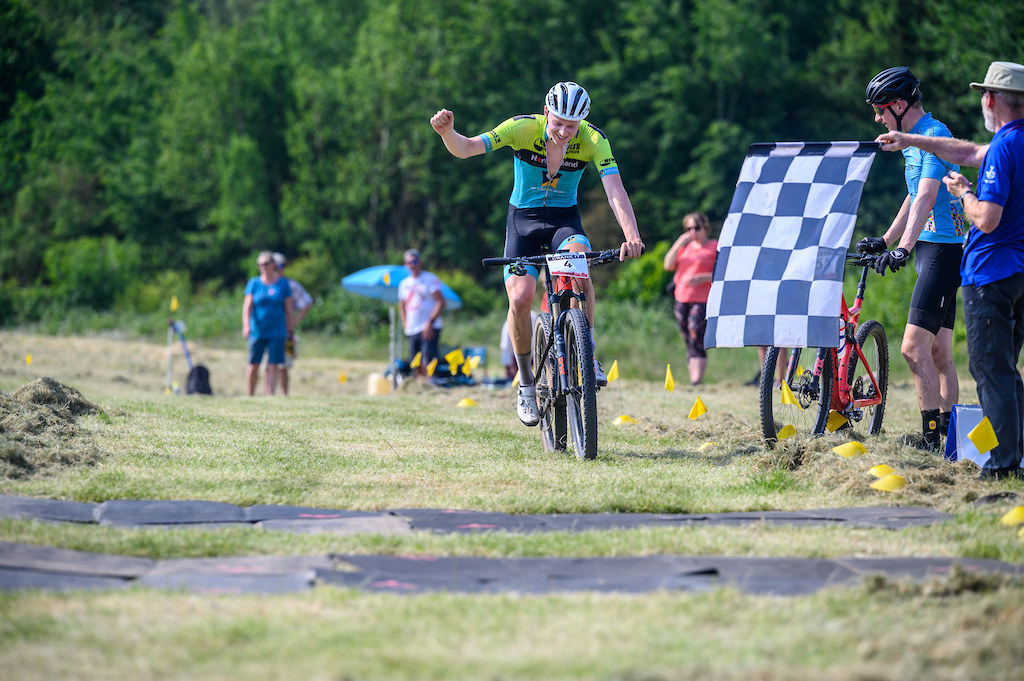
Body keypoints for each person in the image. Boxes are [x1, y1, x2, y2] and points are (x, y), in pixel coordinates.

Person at [430, 81, 645, 426]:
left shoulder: (593, 139)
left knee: (579, 271)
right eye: (558, 122)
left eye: (571, 126)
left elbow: (614, 188)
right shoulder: (521, 128)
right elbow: (468, 148)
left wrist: (631, 236)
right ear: (547, 113)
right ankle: (527, 385)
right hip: (523, 223)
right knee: (520, 299)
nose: (563, 131)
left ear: (582, 124)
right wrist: (448, 133)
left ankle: (586, 353)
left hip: (564, 221)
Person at [876, 60, 1024, 479]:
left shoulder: (1005, 147)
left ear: (991, 99)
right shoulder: (1007, 144)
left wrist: (963, 193)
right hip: (1007, 269)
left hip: (985, 269)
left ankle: (999, 464)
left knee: (987, 370)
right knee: (990, 366)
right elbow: (963, 155)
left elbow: (984, 216)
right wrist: (907, 139)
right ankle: (999, 452)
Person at [857, 66, 966, 450]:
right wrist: (887, 239)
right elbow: (912, 196)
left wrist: (903, 247)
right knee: (939, 352)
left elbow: (927, 197)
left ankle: (930, 438)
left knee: (912, 348)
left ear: (900, 105)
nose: (877, 117)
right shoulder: (916, 141)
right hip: (930, 249)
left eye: (880, 109)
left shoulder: (936, 136)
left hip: (943, 251)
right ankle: (950, 436)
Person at [664, 212, 716, 386]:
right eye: (689, 228)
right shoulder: (684, 248)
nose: (693, 231)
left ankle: (696, 380)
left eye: (697, 227)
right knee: (687, 337)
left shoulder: (714, 247)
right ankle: (693, 377)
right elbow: (668, 265)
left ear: (705, 228)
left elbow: (723, 273)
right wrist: (679, 242)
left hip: (703, 299)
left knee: (696, 334)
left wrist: (705, 277)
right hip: (681, 297)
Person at [242, 251, 293, 396]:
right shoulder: (254, 283)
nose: (263, 267)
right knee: (253, 364)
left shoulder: (283, 284)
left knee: (273, 364)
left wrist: (290, 330)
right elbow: (247, 306)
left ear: (273, 265)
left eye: (266, 263)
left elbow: (289, 310)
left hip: (277, 331)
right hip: (257, 330)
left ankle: (269, 396)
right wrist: (246, 326)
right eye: (260, 264)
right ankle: (250, 395)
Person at [397, 249, 446, 377]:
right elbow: (401, 304)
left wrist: (430, 322)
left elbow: (441, 302)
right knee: (415, 361)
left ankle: (429, 384)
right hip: (412, 328)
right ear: (405, 264)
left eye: (414, 261)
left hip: (428, 327)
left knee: (428, 360)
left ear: (420, 262)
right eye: (409, 262)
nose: (412, 264)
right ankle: (419, 385)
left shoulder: (430, 279)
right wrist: (405, 322)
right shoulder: (404, 284)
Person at [271, 252, 314, 396]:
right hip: (268, 330)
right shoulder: (264, 283)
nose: (279, 269)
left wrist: (294, 321)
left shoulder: (291, 284)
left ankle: (284, 395)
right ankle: (268, 395)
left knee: (284, 365)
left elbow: (307, 302)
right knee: (268, 365)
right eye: (276, 266)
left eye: (282, 266)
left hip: (285, 331)